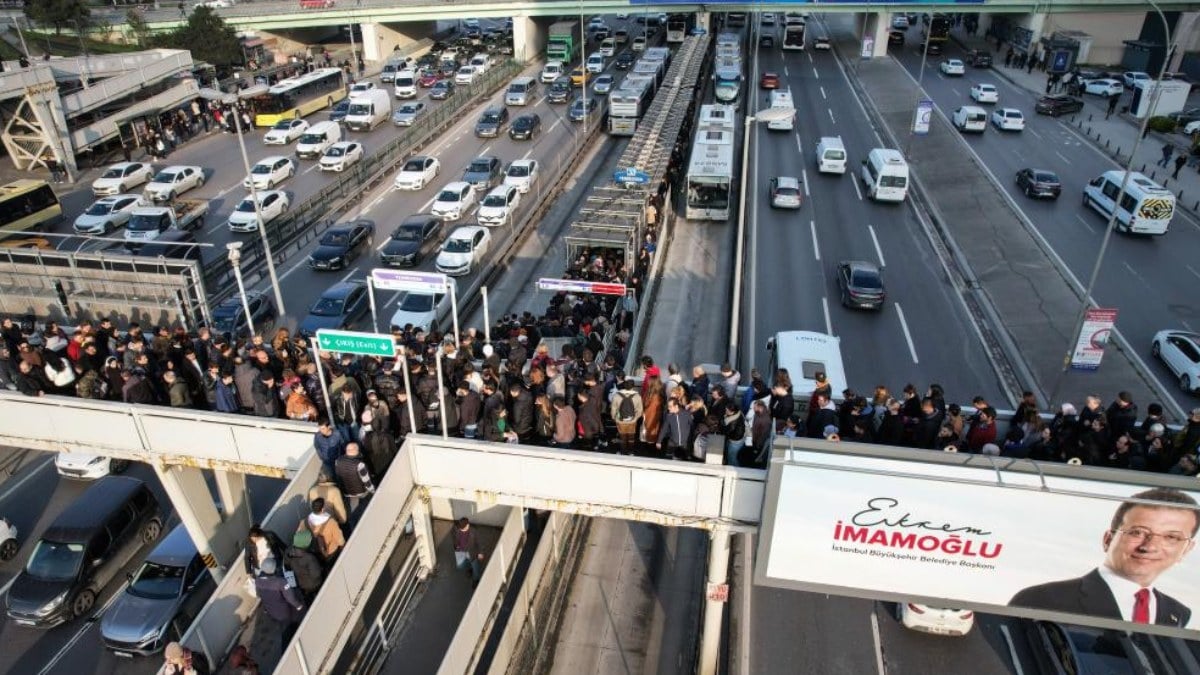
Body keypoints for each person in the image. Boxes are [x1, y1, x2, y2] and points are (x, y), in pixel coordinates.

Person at [1008, 487, 1197, 626]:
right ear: (1108, 540)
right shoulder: (1041, 599)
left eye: (1171, 537)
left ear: (1186, 549)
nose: (1149, 546)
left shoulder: (1177, 613)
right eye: (1137, 532)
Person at [254, 558, 305, 648]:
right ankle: (289, 648)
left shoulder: (257, 581)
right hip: (284, 612)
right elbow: (291, 598)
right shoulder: (280, 582)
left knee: (284, 626)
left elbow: (259, 595)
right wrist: (298, 605)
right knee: (287, 631)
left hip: (271, 611)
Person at [301, 497, 345, 567]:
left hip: (316, 551)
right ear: (322, 509)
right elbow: (339, 539)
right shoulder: (331, 522)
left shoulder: (306, 520)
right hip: (331, 551)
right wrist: (343, 547)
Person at [283, 530, 324, 602]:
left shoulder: (288, 552)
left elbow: (287, 566)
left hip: (302, 585)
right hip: (314, 585)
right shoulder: (309, 558)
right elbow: (316, 575)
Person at [453, 517, 485, 587]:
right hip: (461, 552)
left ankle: (475, 580)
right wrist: (457, 547)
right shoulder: (458, 530)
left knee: (476, 568)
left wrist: (481, 552)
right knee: (460, 566)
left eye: (463, 528)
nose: (461, 530)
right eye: (460, 528)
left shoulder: (474, 532)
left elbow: (479, 542)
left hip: (472, 553)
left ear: (468, 525)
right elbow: (455, 541)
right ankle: (469, 568)